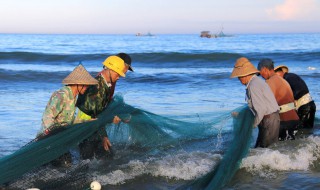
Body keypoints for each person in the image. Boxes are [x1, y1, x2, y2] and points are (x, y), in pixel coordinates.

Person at [38, 64, 98, 166]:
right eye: (86, 84)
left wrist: (86, 121)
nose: (87, 88)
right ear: (78, 84)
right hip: (50, 139)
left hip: (61, 139)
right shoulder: (61, 95)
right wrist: (51, 137)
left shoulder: (74, 97)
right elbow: (47, 117)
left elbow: (69, 121)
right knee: (65, 164)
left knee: (67, 164)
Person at [76, 53, 133, 159]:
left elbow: (102, 108)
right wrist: (104, 134)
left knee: (106, 156)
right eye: (118, 74)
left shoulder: (106, 83)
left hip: (94, 126)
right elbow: (95, 115)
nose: (119, 77)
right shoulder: (97, 88)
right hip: (85, 127)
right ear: (110, 70)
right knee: (86, 161)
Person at [231, 57, 280, 148]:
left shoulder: (253, 85)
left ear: (244, 75)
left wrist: (252, 125)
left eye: (239, 77)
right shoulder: (256, 82)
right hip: (271, 119)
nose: (239, 80)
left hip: (269, 120)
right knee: (265, 149)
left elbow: (261, 109)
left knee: (265, 150)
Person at [258, 58, 300, 140]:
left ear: (265, 69)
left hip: (285, 121)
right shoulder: (282, 80)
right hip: (294, 119)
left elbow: (265, 104)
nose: (261, 77)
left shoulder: (269, 82)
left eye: (260, 73)